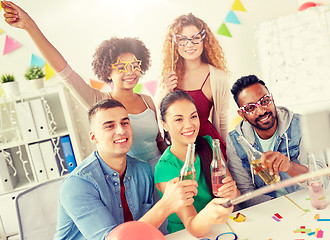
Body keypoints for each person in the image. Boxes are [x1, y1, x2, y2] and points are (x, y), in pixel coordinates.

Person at [1, 1, 166, 165]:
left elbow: (159, 141)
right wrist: (30, 26)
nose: (130, 72)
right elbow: (64, 71)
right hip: (134, 180)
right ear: (108, 70)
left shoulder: (147, 100)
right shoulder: (101, 101)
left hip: (162, 174)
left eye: (135, 66)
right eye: (121, 67)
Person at [53, 99, 198, 240]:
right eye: (109, 126)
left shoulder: (143, 171)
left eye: (125, 123)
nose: (121, 130)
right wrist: (165, 205)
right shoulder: (77, 185)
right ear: (94, 137)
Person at [226, 75, 328, 208]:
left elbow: (322, 180)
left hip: (306, 204)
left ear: (272, 99)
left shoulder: (302, 125)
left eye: (264, 101)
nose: (262, 111)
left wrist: (290, 167)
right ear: (242, 115)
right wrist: (283, 209)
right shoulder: (235, 141)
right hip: (268, 212)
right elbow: (246, 193)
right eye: (251, 108)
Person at [155, 90, 239, 237]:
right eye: (179, 120)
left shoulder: (209, 144)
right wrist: (210, 212)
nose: (189, 125)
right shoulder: (165, 168)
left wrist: (232, 194)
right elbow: (193, 227)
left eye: (193, 116)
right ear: (164, 125)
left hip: (221, 227)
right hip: (186, 235)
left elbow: (234, 195)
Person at [155, 13, 230, 159]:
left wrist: (228, 156)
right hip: (179, 145)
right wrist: (166, 89)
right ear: (175, 43)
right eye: (182, 40)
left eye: (195, 38)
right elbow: (160, 112)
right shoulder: (168, 75)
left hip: (207, 145)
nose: (189, 45)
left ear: (204, 39)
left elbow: (222, 121)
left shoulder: (218, 77)